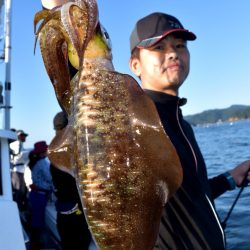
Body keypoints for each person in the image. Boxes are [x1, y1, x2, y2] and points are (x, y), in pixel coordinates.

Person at [128, 12, 250, 249]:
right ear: (136, 65)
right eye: (159, 47)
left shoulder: (182, 124)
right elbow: (83, 78)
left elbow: (191, 195)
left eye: (179, 45)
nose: (173, 52)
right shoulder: (134, 122)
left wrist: (229, 179)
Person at [50, 111, 93, 250]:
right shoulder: (76, 151)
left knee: (67, 244)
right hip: (78, 215)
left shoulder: (53, 152)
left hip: (64, 214)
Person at [28, 141, 54, 250]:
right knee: (38, 222)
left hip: (35, 195)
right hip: (40, 196)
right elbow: (50, 178)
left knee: (35, 220)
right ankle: (35, 244)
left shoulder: (34, 162)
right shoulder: (43, 162)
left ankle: (35, 242)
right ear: (43, 152)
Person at [10, 129, 29, 211]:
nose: (24, 137)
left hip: (20, 171)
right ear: (18, 136)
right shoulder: (16, 143)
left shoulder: (19, 144)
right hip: (17, 171)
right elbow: (17, 156)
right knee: (19, 192)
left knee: (20, 191)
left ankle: (19, 209)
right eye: (23, 135)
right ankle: (18, 210)